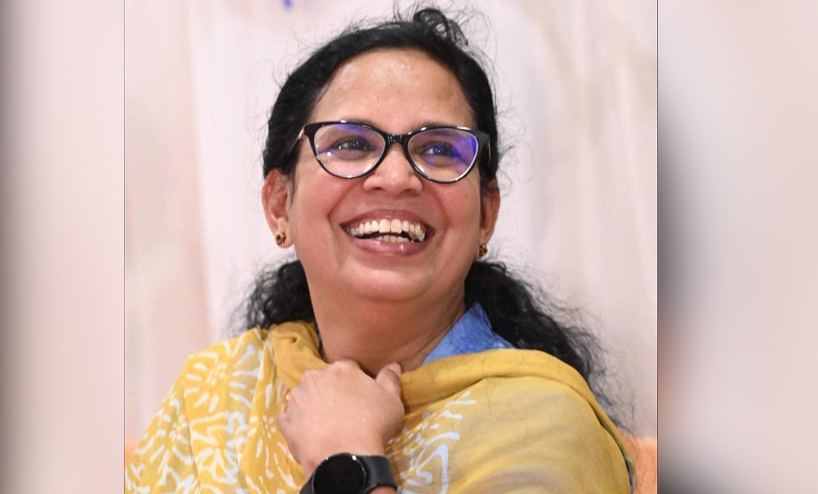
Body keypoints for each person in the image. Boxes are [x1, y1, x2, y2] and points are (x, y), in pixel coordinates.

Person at [125, 7, 634, 494]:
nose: (396, 177)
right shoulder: (213, 400)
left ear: (486, 214)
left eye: (439, 149)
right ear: (280, 205)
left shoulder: (544, 427)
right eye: (351, 144)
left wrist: (345, 458)